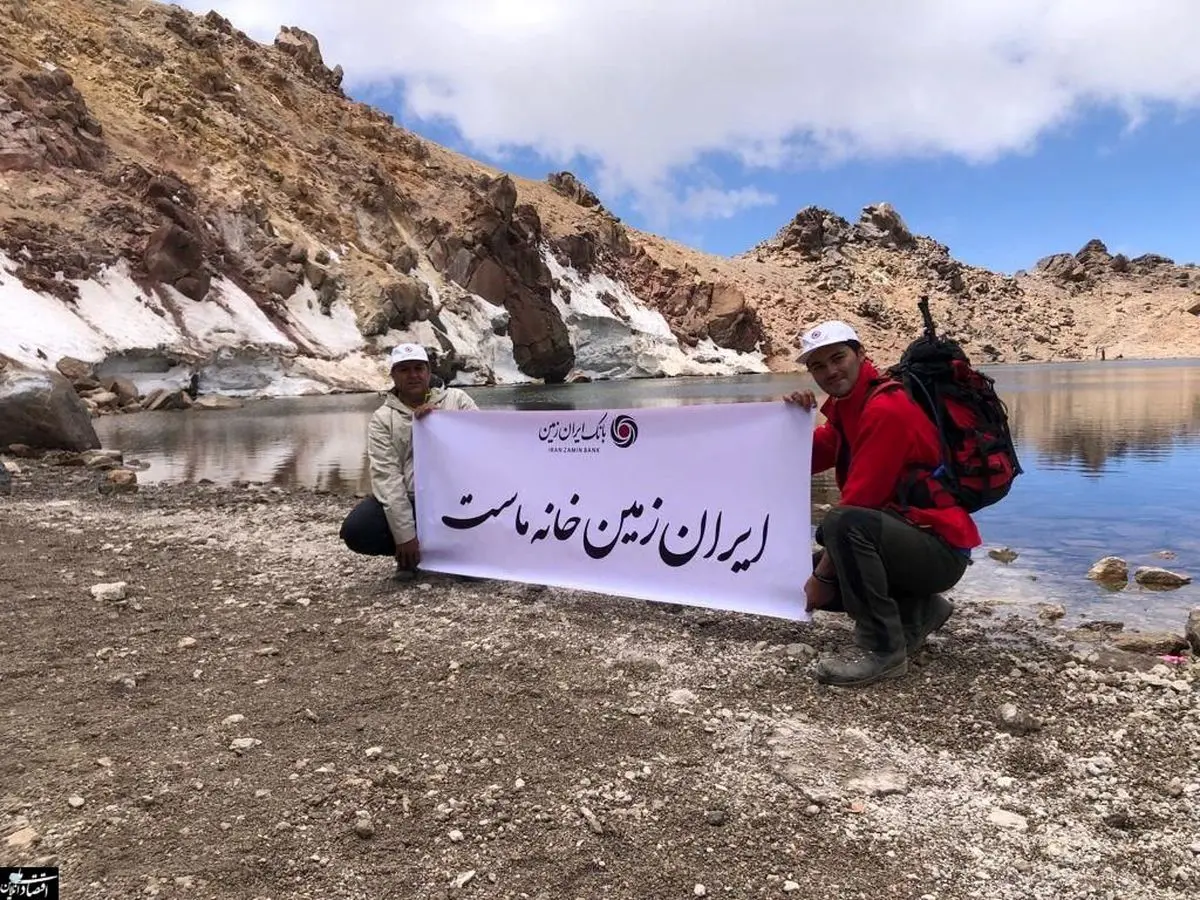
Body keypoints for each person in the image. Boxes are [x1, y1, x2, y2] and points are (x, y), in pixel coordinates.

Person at [784, 320, 981, 687]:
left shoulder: (886, 409)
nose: (830, 371)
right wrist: (790, 423)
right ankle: (918, 611)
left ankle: (882, 650)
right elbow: (806, 457)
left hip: (940, 550)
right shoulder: (850, 407)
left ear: (860, 354)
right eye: (818, 366)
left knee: (843, 524)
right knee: (791, 572)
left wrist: (824, 579)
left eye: (838, 358)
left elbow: (859, 505)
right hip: (909, 543)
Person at [339, 343, 478, 580]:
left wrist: (442, 423)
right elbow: (388, 478)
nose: (413, 375)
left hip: (458, 498)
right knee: (358, 530)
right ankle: (414, 553)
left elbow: (483, 444)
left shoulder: (457, 400)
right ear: (393, 375)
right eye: (404, 369)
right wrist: (404, 535)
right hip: (413, 500)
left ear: (428, 371)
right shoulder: (383, 420)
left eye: (418, 368)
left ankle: (456, 554)